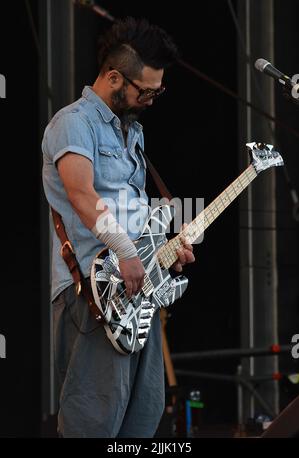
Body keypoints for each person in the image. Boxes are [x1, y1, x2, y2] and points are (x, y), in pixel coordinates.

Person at [42, 16, 195, 438]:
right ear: (114, 77)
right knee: (93, 423)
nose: (152, 98)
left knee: (141, 424)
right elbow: (82, 196)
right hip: (93, 293)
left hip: (135, 299)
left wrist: (165, 249)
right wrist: (127, 253)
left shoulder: (133, 135)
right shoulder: (73, 123)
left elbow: (136, 214)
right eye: (146, 91)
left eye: (158, 91)